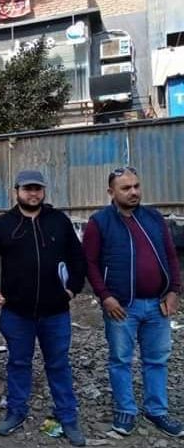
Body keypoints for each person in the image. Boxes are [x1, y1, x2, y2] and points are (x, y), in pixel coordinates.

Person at [0, 170, 87, 446]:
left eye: (37, 189)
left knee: (58, 364)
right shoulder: (4, 225)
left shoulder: (58, 221)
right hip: (17, 313)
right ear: (17, 192)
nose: (33, 193)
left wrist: (72, 288)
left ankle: (67, 417)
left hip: (55, 313)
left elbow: (78, 258)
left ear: (44, 191)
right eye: (27, 189)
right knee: (18, 363)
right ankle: (16, 411)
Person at [82, 166, 183, 437]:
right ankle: (125, 410)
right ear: (111, 192)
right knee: (120, 360)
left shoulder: (154, 218)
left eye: (136, 186)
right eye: (126, 188)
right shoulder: (99, 222)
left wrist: (174, 290)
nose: (134, 192)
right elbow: (89, 263)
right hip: (121, 307)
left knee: (157, 360)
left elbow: (171, 256)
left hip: (158, 304)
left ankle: (157, 410)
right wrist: (105, 296)